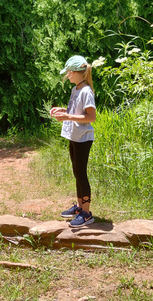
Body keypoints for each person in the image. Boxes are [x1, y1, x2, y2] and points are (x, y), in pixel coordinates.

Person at [50, 55, 97, 228]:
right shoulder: (76, 89)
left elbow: (91, 117)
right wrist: (62, 110)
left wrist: (67, 116)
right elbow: (75, 110)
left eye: (69, 73)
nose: (67, 76)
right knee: (76, 172)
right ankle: (79, 208)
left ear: (78, 73)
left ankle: (86, 213)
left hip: (83, 138)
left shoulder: (86, 91)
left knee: (81, 173)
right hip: (74, 136)